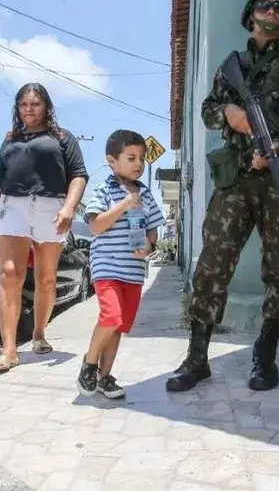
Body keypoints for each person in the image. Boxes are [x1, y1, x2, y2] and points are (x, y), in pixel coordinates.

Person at [166, 0, 279, 393]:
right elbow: (206, 111)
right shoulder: (232, 64)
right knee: (213, 263)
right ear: (251, 13)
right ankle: (197, 357)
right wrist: (231, 114)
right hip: (236, 177)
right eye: (264, 5)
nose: (272, 11)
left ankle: (265, 354)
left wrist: (278, 144)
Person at [0, 82, 89, 374]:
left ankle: (38, 333)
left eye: (34, 105)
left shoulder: (63, 137)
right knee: (10, 273)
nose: (28, 110)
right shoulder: (10, 140)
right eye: (23, 105)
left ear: (47, 107)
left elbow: (79, 175)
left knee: (47, 278)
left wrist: (69, 207)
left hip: (51, 208)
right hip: (15, 207)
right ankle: (9, 350)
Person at [76, 130, 164, 398]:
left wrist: (149, 245)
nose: (138, 164)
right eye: (131, 157)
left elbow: (153, 230)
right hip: (107, 266)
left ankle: (104, 377)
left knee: (118, 326)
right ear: (112, 161)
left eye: (142, 159)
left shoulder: (146, 193)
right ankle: (89, 366)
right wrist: (124, 205)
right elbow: (96, 226)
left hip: (133, 271)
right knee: (110, 316)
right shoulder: (105, 189)